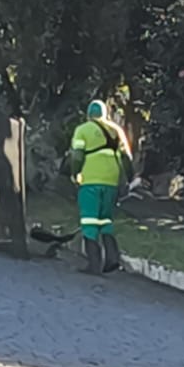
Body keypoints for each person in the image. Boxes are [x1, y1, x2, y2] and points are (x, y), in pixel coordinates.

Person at [67, 99, 133, 274]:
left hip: (90, 180)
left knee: (89, 220)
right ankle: (112, 258)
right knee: (105, 220)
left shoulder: (83, 130)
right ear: (106, 114)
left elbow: (77, 156)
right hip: (111, 181)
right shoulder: (117, 130)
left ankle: (94, 264)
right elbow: (126, 158)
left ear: (88, 115)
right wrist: (129, 179)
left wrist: (75, 173)